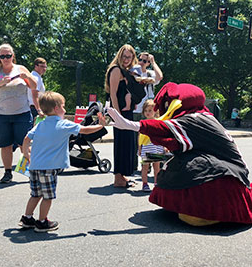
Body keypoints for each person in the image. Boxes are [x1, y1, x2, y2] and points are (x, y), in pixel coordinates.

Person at [106, 82, 252, 226]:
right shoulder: (205, 117)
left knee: (196, 165)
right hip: (232, 175)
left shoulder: (194, 118)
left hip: (227, 178)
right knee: (175, 162)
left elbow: (162, 128)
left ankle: (206, 210)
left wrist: (130, 125)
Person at [19, 91, 106, 232]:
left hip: (34, 166)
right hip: (49, 167)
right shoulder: (64, 124)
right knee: (47, 197)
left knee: (35, 194)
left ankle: (27, 218)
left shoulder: (40, 124)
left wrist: (26, 154)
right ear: (56, 108)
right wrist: (101, 126)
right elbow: (84, 130)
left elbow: (26, 139)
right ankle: (42, 222)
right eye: (63, 106)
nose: (65, 109)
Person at [0, 43, 37, 183]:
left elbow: (34, 86)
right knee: (5, 144)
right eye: (3, 56)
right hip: (1, 115)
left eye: (8, 55)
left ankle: (31, 171)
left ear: (13, 56)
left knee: (24, 143)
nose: (6, 58)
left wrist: (28, 77)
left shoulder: (20, 69)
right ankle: (8, 173)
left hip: (22, 114)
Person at [104, 44, 138, 188]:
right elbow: (113, 94)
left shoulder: (127, 71)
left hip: (127, 113)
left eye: (129, 57)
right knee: (122, 144)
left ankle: (122, 176)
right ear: (119, 56)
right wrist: (118, 116)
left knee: (127, 144)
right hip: (121, 113)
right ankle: (118, 178)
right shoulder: (116, 70)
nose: (126, 59)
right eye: (124, 56)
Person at [133, 52, 163, 171]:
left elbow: (160, 77)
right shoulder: (134, 70)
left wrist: (154, 62)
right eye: (140, 60)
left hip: (150, 109)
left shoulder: (151, 73)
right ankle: (139, 164)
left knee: (151, 137)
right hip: (137, 109)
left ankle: (151, 163)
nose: (142, 63)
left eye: (145, 61)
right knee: (138, 139)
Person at [138, 100, 165, 192]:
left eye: (150, 110)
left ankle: (156, 183)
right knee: (145, 167)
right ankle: (144, 184)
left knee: (156, 167)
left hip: (157, 147)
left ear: (155, 111)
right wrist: (139, 148)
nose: (148, 113)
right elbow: (140, 137)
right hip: (146, 147)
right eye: (146, 111)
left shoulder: (159, 122)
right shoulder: (143, 123)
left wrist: (164, 146)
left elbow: (162, 135)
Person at [28, 57, 47, 122]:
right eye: (42, 66)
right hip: (34, 108)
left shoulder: (34, 76)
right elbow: (35, 95)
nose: (44, 69)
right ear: (36, 66)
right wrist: (39, 110)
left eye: (45, 67)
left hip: (32, 108)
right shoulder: (35, 78)